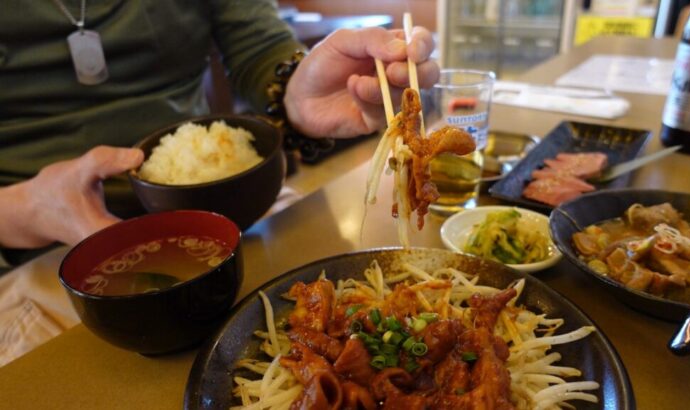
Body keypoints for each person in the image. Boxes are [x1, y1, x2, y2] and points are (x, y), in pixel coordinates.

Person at [0, 1, 438, 365]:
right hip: (47, 247)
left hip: (236, 209)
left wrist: (296, 94)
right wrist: (23, 210)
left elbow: (258, 46)